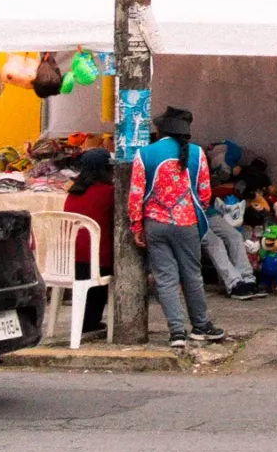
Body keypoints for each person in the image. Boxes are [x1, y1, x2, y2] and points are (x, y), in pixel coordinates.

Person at [127, 107, 228, 350]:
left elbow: (136, 195)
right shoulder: (197, 154)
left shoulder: (145, 153)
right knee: (192, 275)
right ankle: (201, 326)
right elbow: (204, 193)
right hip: (187, 225)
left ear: (161, 129)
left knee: (165, 279)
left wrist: (136, 225)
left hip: (155, 224)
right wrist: (192, 211)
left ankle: (176, 333)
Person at [59, 148, 117, 332]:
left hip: (70, 260)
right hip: (99, 260)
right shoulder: (109, 192)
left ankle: (87, 322)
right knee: (103, 275)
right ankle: (91, 323)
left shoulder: (74, 192)